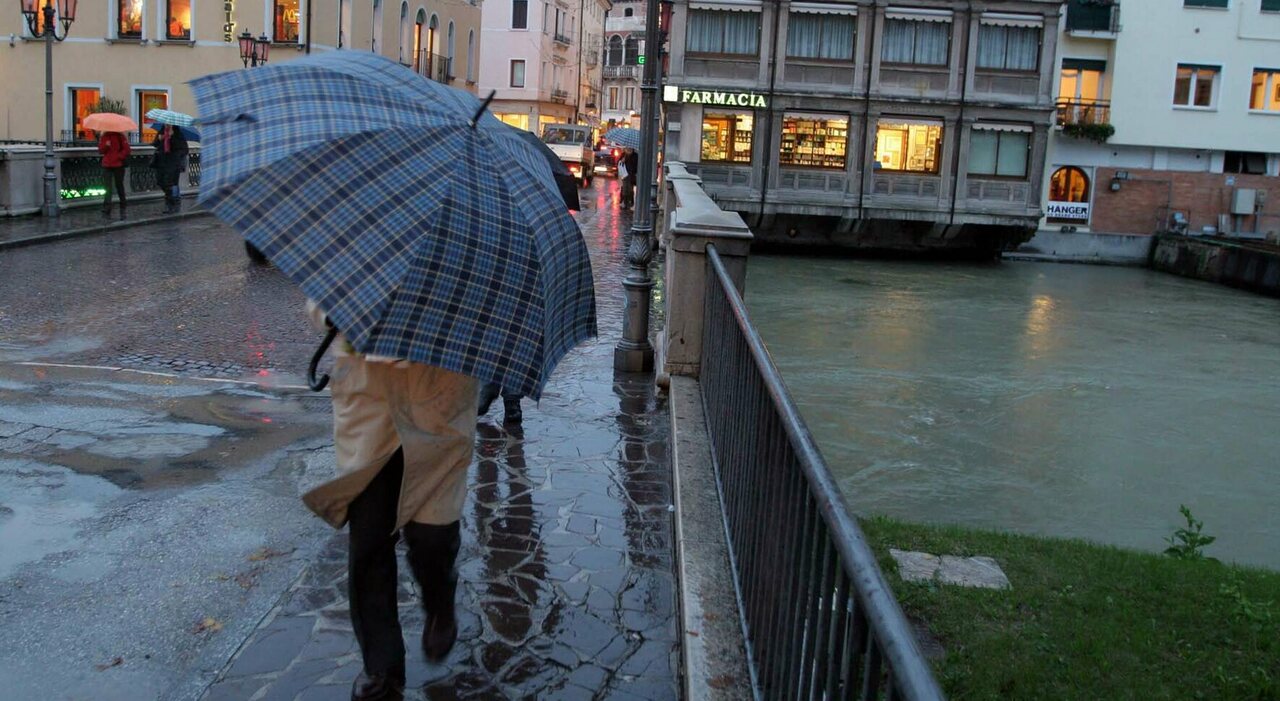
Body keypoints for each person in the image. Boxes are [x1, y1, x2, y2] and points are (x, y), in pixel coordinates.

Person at [301, 302, 478, 701]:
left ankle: (440, 598)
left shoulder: (469, 250)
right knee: (368, 543)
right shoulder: (351, 240)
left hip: (438, 399)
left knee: (432, 537)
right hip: (368, 402)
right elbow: (319, 297)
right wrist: (335, 313)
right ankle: (382, 669)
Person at [150, 124, 188, 214]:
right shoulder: (162, 132)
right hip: (161, 161)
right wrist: (159, 139)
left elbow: (184, 149)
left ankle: (169, 205)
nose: (166, 125)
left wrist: (171, 137)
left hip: (173, 163)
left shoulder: (177, 133)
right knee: (160, 181)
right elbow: (155, 144)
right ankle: (173, 200)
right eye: (165, 123)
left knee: (169, 183)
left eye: (168, 123)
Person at [98, 130, 130, 220]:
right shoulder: (104, 137)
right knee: (107, 187)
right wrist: (106, 145)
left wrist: (119, 156)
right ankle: (107, 207)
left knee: (119, 185)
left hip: (118, 165)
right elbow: (100, 150)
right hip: (107, 165)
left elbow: (127, 150)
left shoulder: (120, 137)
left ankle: (123, 204)